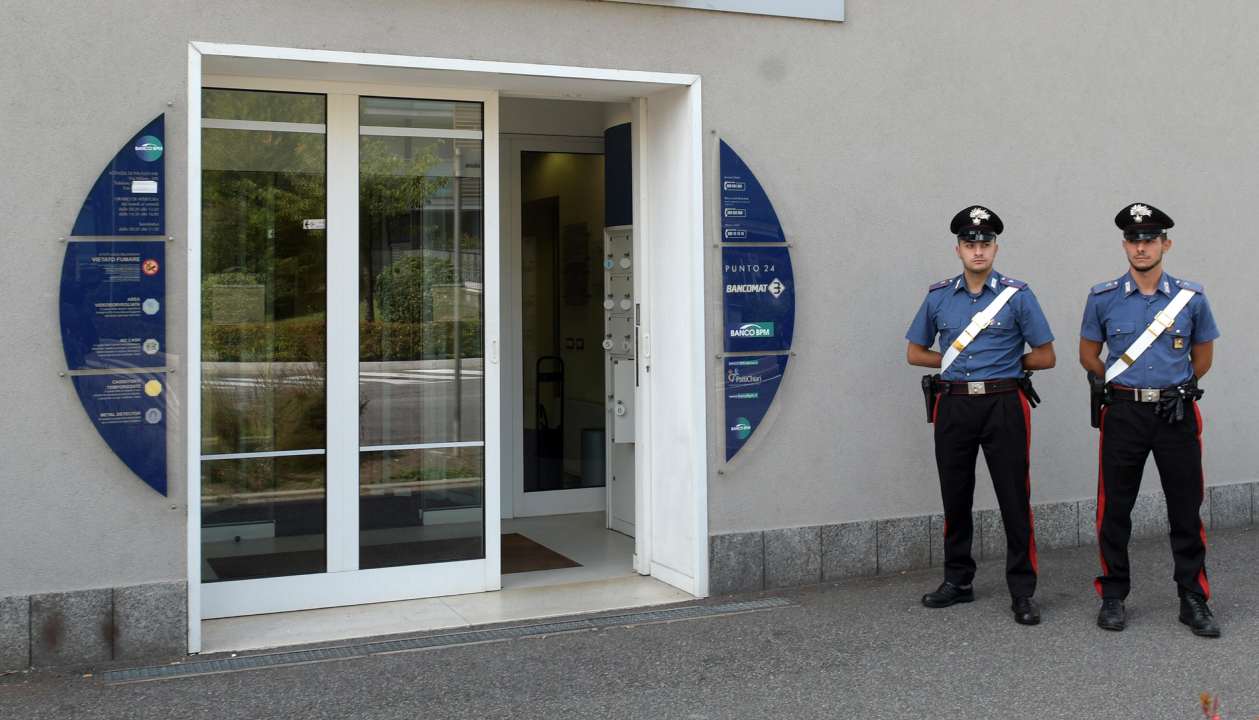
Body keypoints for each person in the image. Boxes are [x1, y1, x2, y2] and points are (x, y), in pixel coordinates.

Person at [906, 205, 1056, 626]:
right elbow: (915, 352)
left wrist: (1007, 363)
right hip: (953, 403)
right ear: (958, 249)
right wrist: (950, 363)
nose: (978, 251)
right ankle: (958, 581)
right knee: (955, 496)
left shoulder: (1017, 295)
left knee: (1014, 498)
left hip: (1003, 404)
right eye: (970, 244)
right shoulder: (938, 296)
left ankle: (1023, 591)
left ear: (995, 247)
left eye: (985, 243)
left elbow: (1046, 355)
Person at [1079, 202, 1221, 637]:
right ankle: (1113, 595)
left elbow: (1203, 357)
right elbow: (1088, 353)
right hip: (1124, 412)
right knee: (1115, 509)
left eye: (1149, 240)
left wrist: (1178, 387)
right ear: (1125, 245)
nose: (1141, 247)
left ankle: (1192, 597)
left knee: (1185, 506)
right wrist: (1119, 384)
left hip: (1173, 413)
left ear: (1165, 244)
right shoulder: (1102, 297)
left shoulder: (1190, 298)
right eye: (1134, 240)